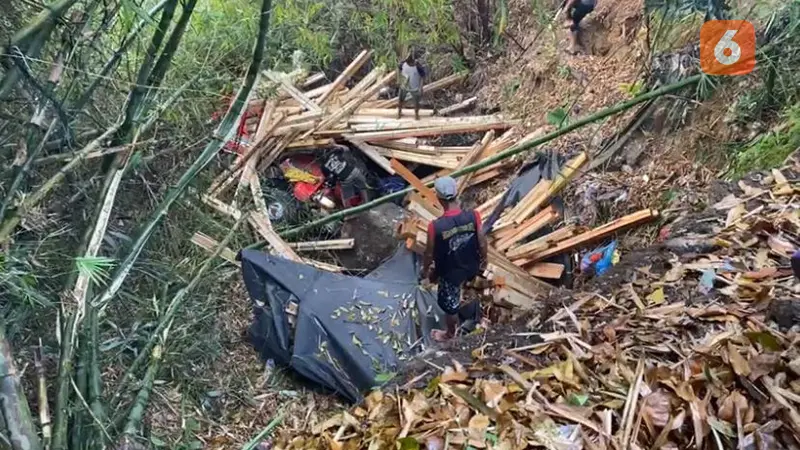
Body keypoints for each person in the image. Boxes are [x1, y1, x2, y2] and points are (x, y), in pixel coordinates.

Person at [421, 177, 488, 342]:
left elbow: (429, 253)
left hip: (450, 273)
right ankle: (471, 309)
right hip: (471, 266)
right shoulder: (474, 216)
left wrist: (425, 271)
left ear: (439, 198)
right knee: (467, 287)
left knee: (449, 307)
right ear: (456, 194)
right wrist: (484, 260)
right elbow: (482, 241)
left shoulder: (435, 226)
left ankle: (449, 333)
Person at [397, 52, 426, 120]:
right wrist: (399, 79)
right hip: (404, 84)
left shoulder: (418, 66)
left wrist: (421, 87)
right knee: (401, 100)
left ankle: (416, 115)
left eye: (410, 63)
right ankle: (399, 113)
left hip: (414, 85)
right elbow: (398, 69)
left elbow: (423, 76)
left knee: (416, 101)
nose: (409, 64)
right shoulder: (403, 64)